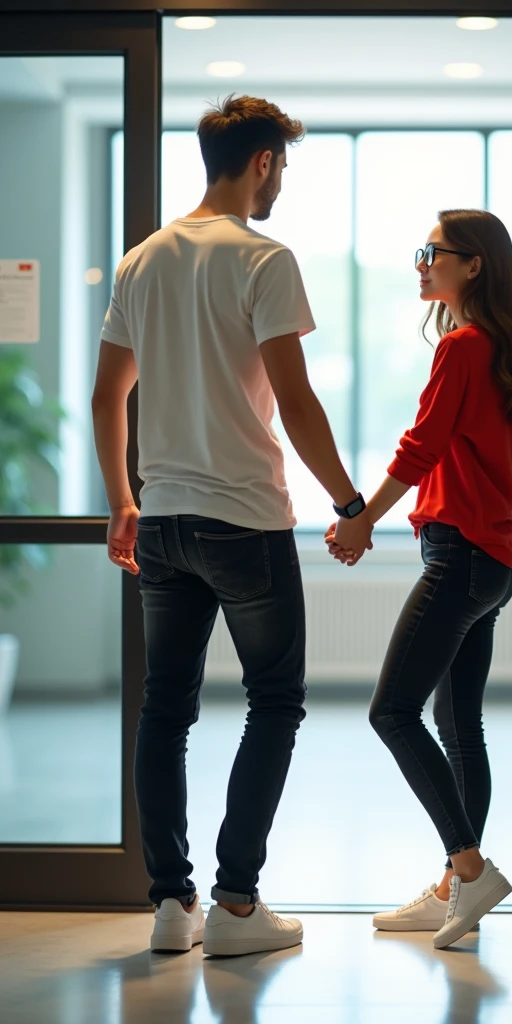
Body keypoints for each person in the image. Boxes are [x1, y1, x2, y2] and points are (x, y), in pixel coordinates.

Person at [92, 94, 372, 957]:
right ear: (261, 163)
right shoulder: (264, 257)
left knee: (163, 710)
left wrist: (121, 500)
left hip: (165, 519)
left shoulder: (143, 260)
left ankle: (172, 907)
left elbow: (110, 394)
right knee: (275, 703)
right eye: (280, 166)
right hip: (245, 522)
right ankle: (237, 907)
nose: (280, 181)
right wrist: (350, 503)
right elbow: (295, 401)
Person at [327, 209, 512, 949]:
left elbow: (420, 446)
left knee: (392, 712)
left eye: (433, 253)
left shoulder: (463, 346)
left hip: (458, 559)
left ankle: (469, 867)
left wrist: (359, 519)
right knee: (460, 727)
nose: (420, 263)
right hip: (491, 563)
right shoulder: (501, 348)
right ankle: (458, 887)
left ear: (473, 265)